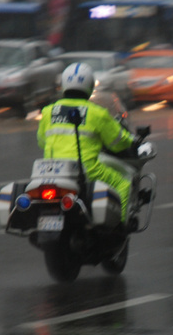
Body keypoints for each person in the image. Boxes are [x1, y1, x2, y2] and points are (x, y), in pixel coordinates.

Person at [37, 63, 135, 226]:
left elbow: (41, 141)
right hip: (87, 170)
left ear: (63, 85)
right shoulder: (97, 113)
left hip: (50, 171)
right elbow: (118, 142)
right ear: (89, 86)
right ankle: (119, 229)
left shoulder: (49, 111)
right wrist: (132, 142)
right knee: (123, 184)